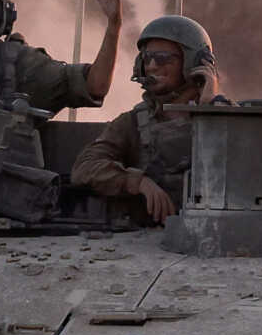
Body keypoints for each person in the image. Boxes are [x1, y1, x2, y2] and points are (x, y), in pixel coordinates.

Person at [72, 14, 224, 222]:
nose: (151, 66)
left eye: (162, 58)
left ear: (192, 62)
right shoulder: (133, 123)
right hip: (150, 241)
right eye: (146, 59)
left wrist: (211, 111)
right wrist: (137, 181)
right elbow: (85, 168)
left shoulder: (230, 119)